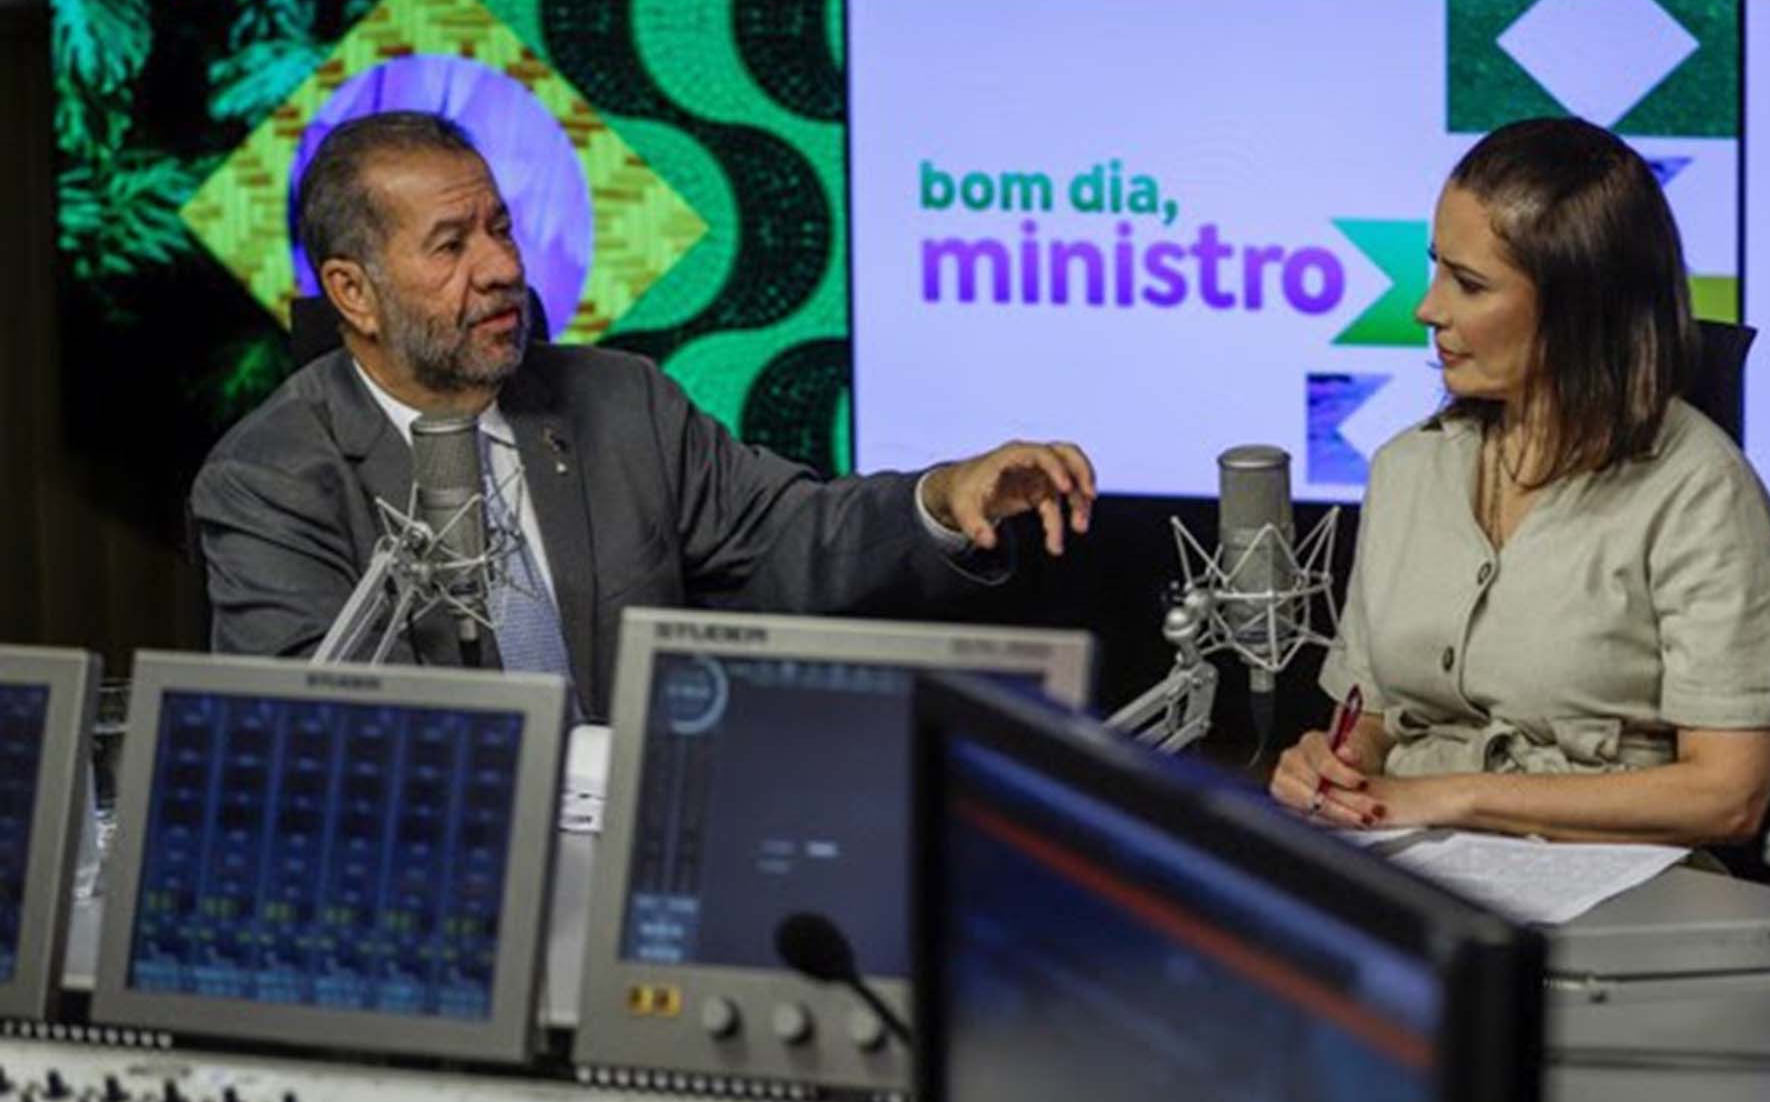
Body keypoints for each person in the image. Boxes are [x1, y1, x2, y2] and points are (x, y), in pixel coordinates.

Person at [191, 112, 1097, 715]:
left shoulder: (622, 404)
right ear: (353, 292)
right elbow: (307, 726)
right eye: (451, 245)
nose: (502, 267)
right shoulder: (269, 481)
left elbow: (793, 536)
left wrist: (941, 499)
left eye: (500, 229)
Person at [1270, 117, 1770, 847]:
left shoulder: (1700, 491)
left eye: (1469, 284)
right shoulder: (1405, 469)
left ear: (1579, 309)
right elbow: (1371, 723)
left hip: (1612, 896)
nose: (1429, 309)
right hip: (1415, 869)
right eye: (1436, 269)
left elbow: (1726, 796)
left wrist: (1450, 797)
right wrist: (1331, 765)